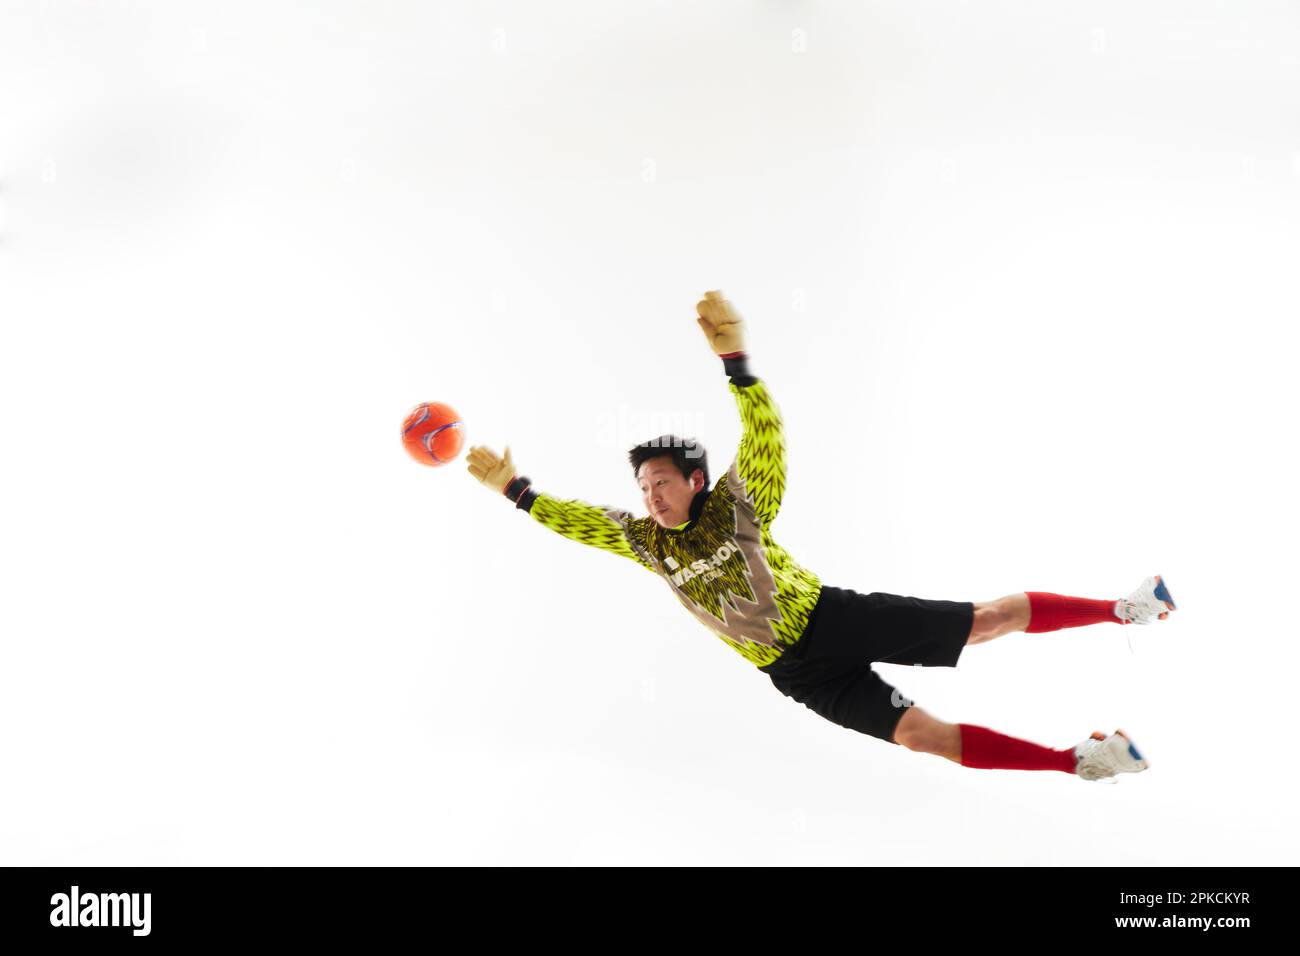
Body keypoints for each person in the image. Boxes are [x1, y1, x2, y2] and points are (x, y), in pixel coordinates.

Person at [466, 291, 1177, 782]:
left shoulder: (737, 504)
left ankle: (1126, 609)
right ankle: (1080, 761)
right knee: (923, 737)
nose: (650, 496)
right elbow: (578, 522)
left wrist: (735, 364)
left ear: (696, 481)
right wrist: (513, 488)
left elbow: (764, 436)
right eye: (642, 487)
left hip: (836, 620)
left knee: (987, 623)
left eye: (662, 482)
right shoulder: (643, 540)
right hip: (798, 676)